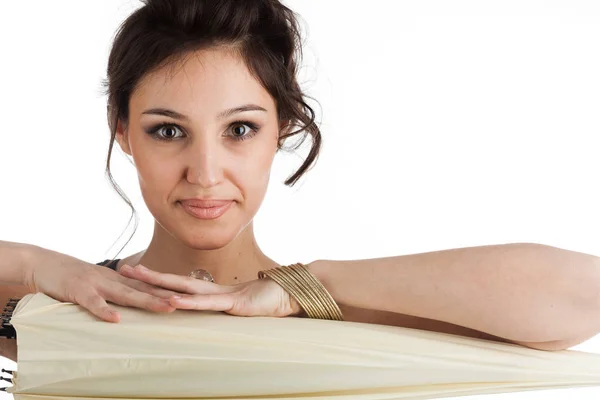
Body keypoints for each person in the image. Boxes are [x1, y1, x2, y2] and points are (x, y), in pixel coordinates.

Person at [1, 0, 600, 364]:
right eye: (167, 131)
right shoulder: (58, 315)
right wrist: (33, 266)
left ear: (281, 130)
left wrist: (306, 289)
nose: (205, 173)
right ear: (123, 132)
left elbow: (585, 294)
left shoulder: (338, 312)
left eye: (239, 129)